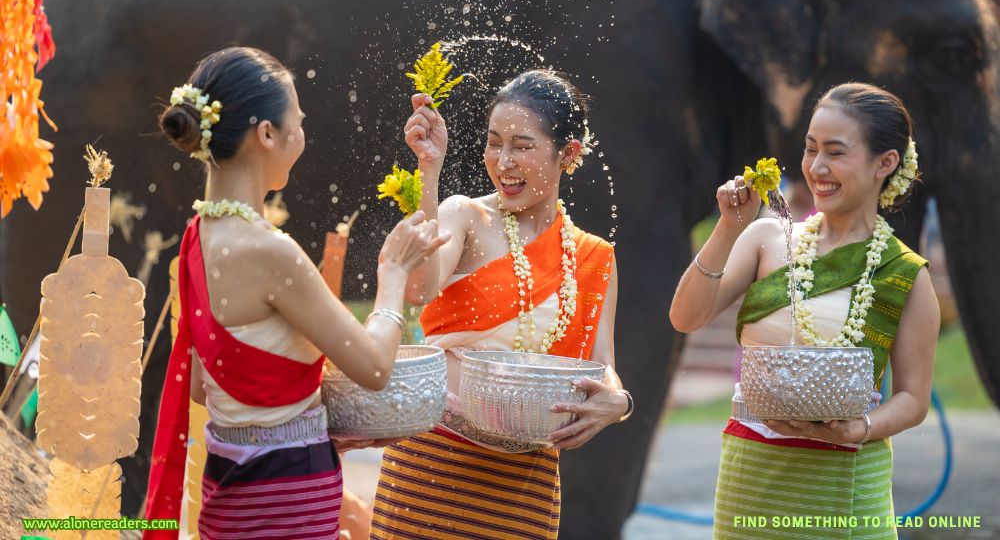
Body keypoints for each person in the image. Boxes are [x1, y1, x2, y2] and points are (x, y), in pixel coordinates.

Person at [143, 47, 448, 540]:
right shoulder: (270, 251)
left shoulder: (197, 237)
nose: (302, 135)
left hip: (229, 487)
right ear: (267, 134)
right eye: (297, 121)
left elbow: (205, 386)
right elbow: (373, 367)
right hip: (287, 494)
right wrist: (392, 275)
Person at [369, 70, 633, 539]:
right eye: (494, 143)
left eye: (522, 146)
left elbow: (602, 365)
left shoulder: (593, 258)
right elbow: (418, 288)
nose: (503, 161)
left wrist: (619, 402)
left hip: (524, 481)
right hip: (430, 463)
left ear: (567, 154)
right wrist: (430, 170)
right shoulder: (465, 216)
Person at [670, 82, 939, 539]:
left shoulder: (903, 273)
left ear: (885, 163)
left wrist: (860, 428)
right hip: (751, 479)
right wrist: (727, 228)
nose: (817, 168)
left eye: (836, 152)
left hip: (845, 483)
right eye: (810, 149)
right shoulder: (766, 239)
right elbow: (685, 317)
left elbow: (913, 399)